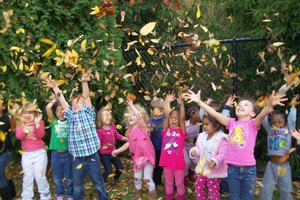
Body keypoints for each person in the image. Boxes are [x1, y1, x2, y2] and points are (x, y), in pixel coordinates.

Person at [184, 90, 287, 200]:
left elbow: (262, 115)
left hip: (249, 170)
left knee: (247, 197)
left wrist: (269, 106)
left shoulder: (253, 124)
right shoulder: (231, 123)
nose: (241, 105)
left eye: (246, 105)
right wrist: (200, 102)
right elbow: (214, 114)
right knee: (235, 197)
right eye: (240, 104)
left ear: (252, 114)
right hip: (232, 169)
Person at [44, 69, 109, 200]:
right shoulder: (70, 116)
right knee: (78, 186)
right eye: (73, 104)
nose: (75, 105)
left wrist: (84, 82)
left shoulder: (88, 114)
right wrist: (55, 87)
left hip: (92, 157)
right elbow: (62, 101)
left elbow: (86, 97)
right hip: (77, 158)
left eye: (78, 103)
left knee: (98, 183)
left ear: (84, 105)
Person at [112, 98, 157, 199]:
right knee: (136, 177)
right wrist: (118, 150)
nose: (130, 116)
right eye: (129, 115)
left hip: (147, 157)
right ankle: (137, 194)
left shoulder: (142, 127)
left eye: (133, 114)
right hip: (137, 158)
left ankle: (153, 195)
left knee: (147, 178)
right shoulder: (129, 131)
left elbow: (139, 117)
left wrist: (132, 106)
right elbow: (128, 144)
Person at [259, 95, 298, 200]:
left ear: (285, 122)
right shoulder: (269, 129)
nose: (277, 124)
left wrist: (293, 106)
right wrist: (268, 105)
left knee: (286, 190)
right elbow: (264, 119)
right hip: (271, 166)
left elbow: (292, 119)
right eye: (274, 122)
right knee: (266, 189)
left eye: (280, 122)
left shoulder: (288, 129)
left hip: (284, 167)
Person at [15, 102, 51, 200]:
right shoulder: (20, 123)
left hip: (39, 153)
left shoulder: (39, 122)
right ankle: (27, 196)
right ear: (21, 114)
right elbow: (19, 136)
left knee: (40, 176)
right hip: (27, 154)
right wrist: (25, 129)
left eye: (30, 113)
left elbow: (41, 135)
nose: (27, 115)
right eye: (25, 113)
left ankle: (45, 195)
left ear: (35, 113)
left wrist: (37, 124)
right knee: (28, 177)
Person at [189, 114, 228, 200]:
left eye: (207, 124)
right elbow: (199, 147)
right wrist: (195, 151)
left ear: (216, 126)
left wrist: (214, 161)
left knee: (213, 190)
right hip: (203, 168)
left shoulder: (222, 138)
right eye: (203, 124)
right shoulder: (202, 136)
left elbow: (223, 154)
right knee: (199, 187)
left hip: (214, 172)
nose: (204, 127)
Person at [159, 92, 186, 200]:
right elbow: (166, 115)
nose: (173, 120)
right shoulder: (166, 130)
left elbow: (183, 118)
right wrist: (166, 101)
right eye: (172, 118)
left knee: (179, 183)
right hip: (167, 162)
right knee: (169, 183)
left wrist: (181, 104)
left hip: (178, 163)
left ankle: (181, 197)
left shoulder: (181, 132)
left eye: (176, 118)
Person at [46, 98, 73, 200]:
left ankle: (70, 194)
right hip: (56, 155)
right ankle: (60, 194)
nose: (61, 113)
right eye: (58, 110)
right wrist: (55, 99)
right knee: (57, 178)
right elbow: (48, 107)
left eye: (63, 110)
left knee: (69, 178)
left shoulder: (70, 121)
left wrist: (64, 103)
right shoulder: (53, 121)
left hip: (68, 153)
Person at [96, 106, 127, 184]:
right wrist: (102, 148)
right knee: (108, 170)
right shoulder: (100, 131)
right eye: (106, 116)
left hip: (114, 152)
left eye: (109, 115)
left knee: (120, 167)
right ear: (100, 118)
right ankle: (100, 183)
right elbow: (97, 145)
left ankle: (115, 179)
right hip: (104, 155)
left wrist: (127, 139)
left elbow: (117, 135)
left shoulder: (112, 126)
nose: (109, 117)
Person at [0, 99, 16, 200]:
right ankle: (9, 192)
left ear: (3, 107)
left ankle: (7, 196)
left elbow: (14, 129)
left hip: (6, 151)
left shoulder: (7, 118)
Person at [149, 97, 164, 188]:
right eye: (157, 112)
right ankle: (153, 180)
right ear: (151, 110)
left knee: (161, 164)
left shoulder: (164, 118)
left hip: (163, 146)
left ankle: (158, 180)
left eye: (161, 111)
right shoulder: (150, 121)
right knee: (154, 164)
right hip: (153, 147)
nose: (159, 114)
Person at [183, 105, 200, 186]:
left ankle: (190, 174)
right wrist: (184, 137)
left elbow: (197, 136)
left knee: (196, 161)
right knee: (187, 162)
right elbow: (179, 134)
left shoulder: (197, 125)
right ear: (192, 116)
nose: (199, 115)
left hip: (190, 146)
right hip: (182, 147)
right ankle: (184, 177)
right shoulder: (185, 124)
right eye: (198, 113)